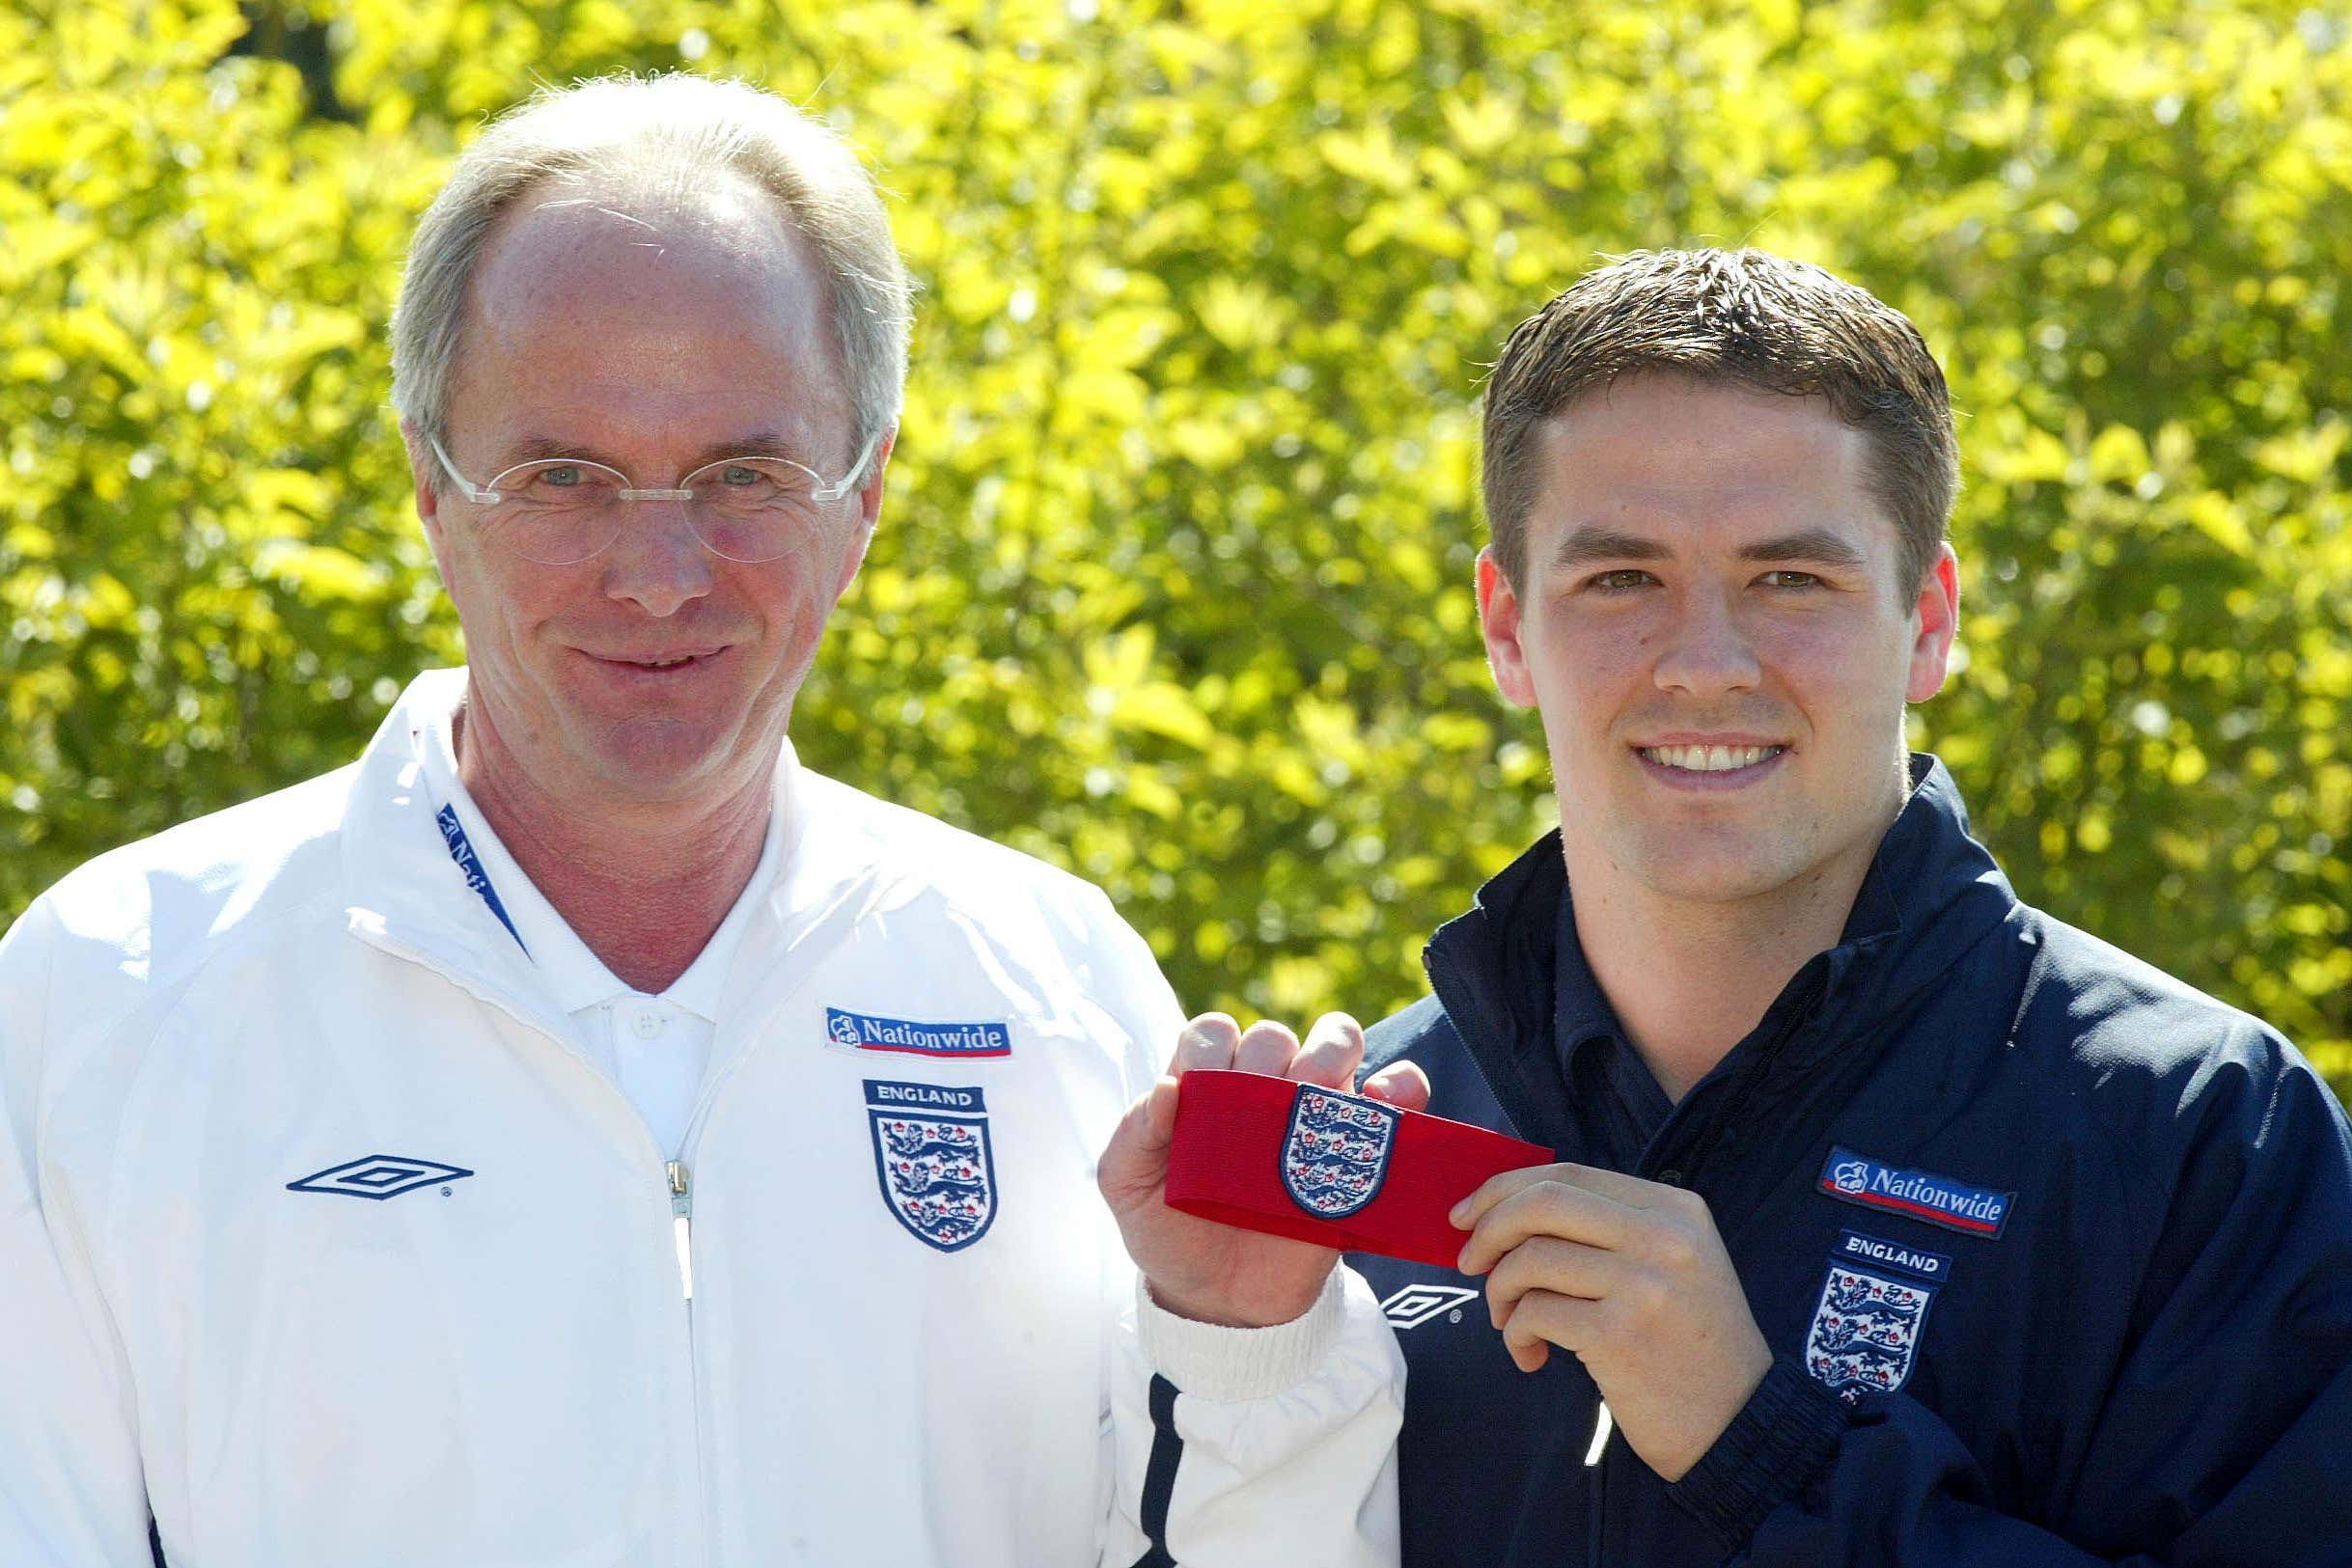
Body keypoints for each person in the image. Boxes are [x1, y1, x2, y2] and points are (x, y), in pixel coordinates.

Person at [0, 73, 1413, 1565]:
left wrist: (1252, 1348)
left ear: (864, 500)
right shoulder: (112, 994)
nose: (660, 569)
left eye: (745, 474)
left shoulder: (1048, 980)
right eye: (564, 477)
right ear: (430, 485)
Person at [1335, 248, 2352, 1564]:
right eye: (1620, 580)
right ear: (1505, 625)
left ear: (1926, 621)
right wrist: (1212, 1357)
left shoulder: (2194, 1134)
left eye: (1788, 580)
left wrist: (1758, 1446)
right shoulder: (1370, 1136)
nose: (1703, 664)